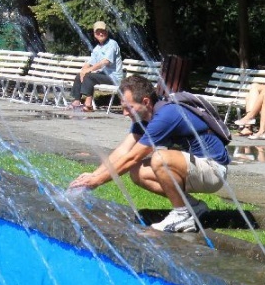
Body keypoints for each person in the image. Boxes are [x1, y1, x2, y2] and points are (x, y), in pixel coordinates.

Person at [68, 74, 231, 233]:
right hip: (195, 167)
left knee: (159, 159)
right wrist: (93, 176)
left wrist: (96, 182)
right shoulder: (144, 118)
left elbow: (133, 156)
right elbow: (124, 150)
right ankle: (192, 207)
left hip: (213, 170)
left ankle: (182, 215)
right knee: (138, 171)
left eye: (127, 107)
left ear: (145, 101)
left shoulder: (167, 115)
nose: (124, 113)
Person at [69, 21, 123, 112]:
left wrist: (88, 70)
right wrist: (83, 70)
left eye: (103, 31)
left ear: (107, 32)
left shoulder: (112, 44)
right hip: (103, 75)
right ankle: (76, 102)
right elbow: (90, 62)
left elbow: (106, 61)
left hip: (114, 77)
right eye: (98, 31)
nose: (101, 33)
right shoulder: (97, 48)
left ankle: (88, 105)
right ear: (94, 34)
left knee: (89, 76)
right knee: (80, 75)